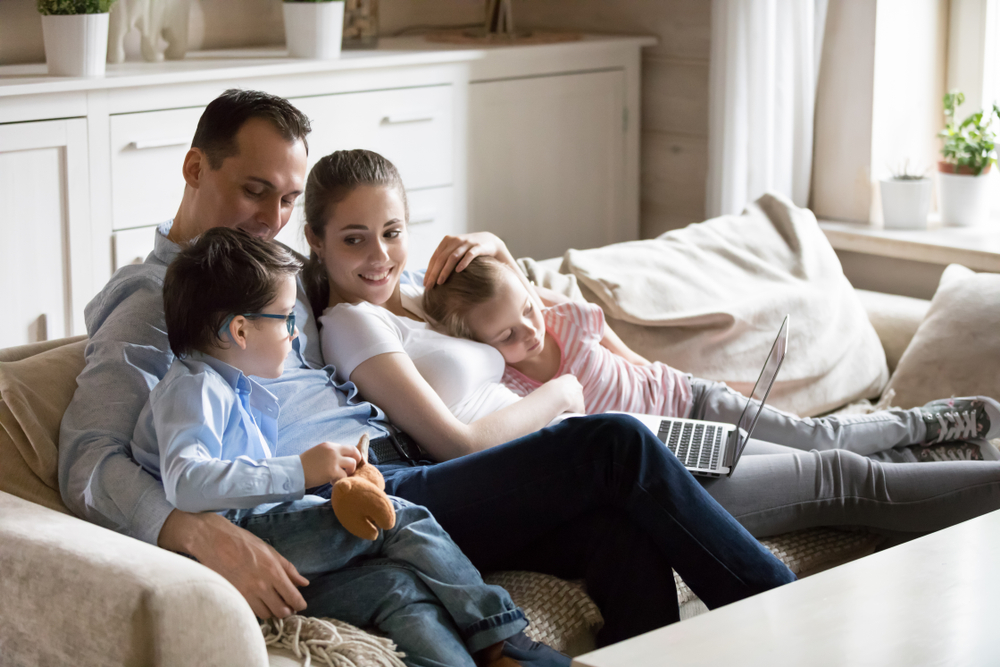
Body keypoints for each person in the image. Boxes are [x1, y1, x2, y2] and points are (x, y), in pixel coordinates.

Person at [59, 91, 795, 650]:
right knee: (613, 444)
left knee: (617, 533)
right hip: (351, 498)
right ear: (194, 168)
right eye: (256, 190)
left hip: (411, 475)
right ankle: (793, 618)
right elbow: (88, 459)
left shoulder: (280, 267)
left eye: (287, 199)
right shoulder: (150, 302)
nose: (271, 216)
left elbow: (377, 277)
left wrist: (491, 249)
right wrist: (195, 529)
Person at [309, 148, 1000, 552]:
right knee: (841, 480)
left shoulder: (410, 295)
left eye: (392, 231)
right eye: (353, 238)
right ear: (317, 240)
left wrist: (490, 244)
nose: (379, 254)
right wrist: (567, 392)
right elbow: (459, 441)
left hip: (642, 434)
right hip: (608, 471)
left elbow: (502, 298)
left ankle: (951, 448)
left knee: (832, 453)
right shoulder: (351, 325)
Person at [128, 227, 546, 667]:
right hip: (234, 549)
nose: (294, 335)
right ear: (240, 330)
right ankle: (502, 634)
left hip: (268, 552)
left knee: (397, 587)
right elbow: (186, 483)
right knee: (397, 516)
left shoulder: (237, 391)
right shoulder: (195, 388)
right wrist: (302, 471)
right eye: (287, 319)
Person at [421, 252, 1000, 455]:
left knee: (823, 439)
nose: (529, 332)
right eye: (507, 336)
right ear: (480, 346)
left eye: (527, 311)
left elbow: (632, 361)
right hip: (673, 444)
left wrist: (689, 381)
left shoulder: (560, 316)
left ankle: (929, 424)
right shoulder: (515, 391)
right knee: (818, 458)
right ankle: (939, 453)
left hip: (694, 400)